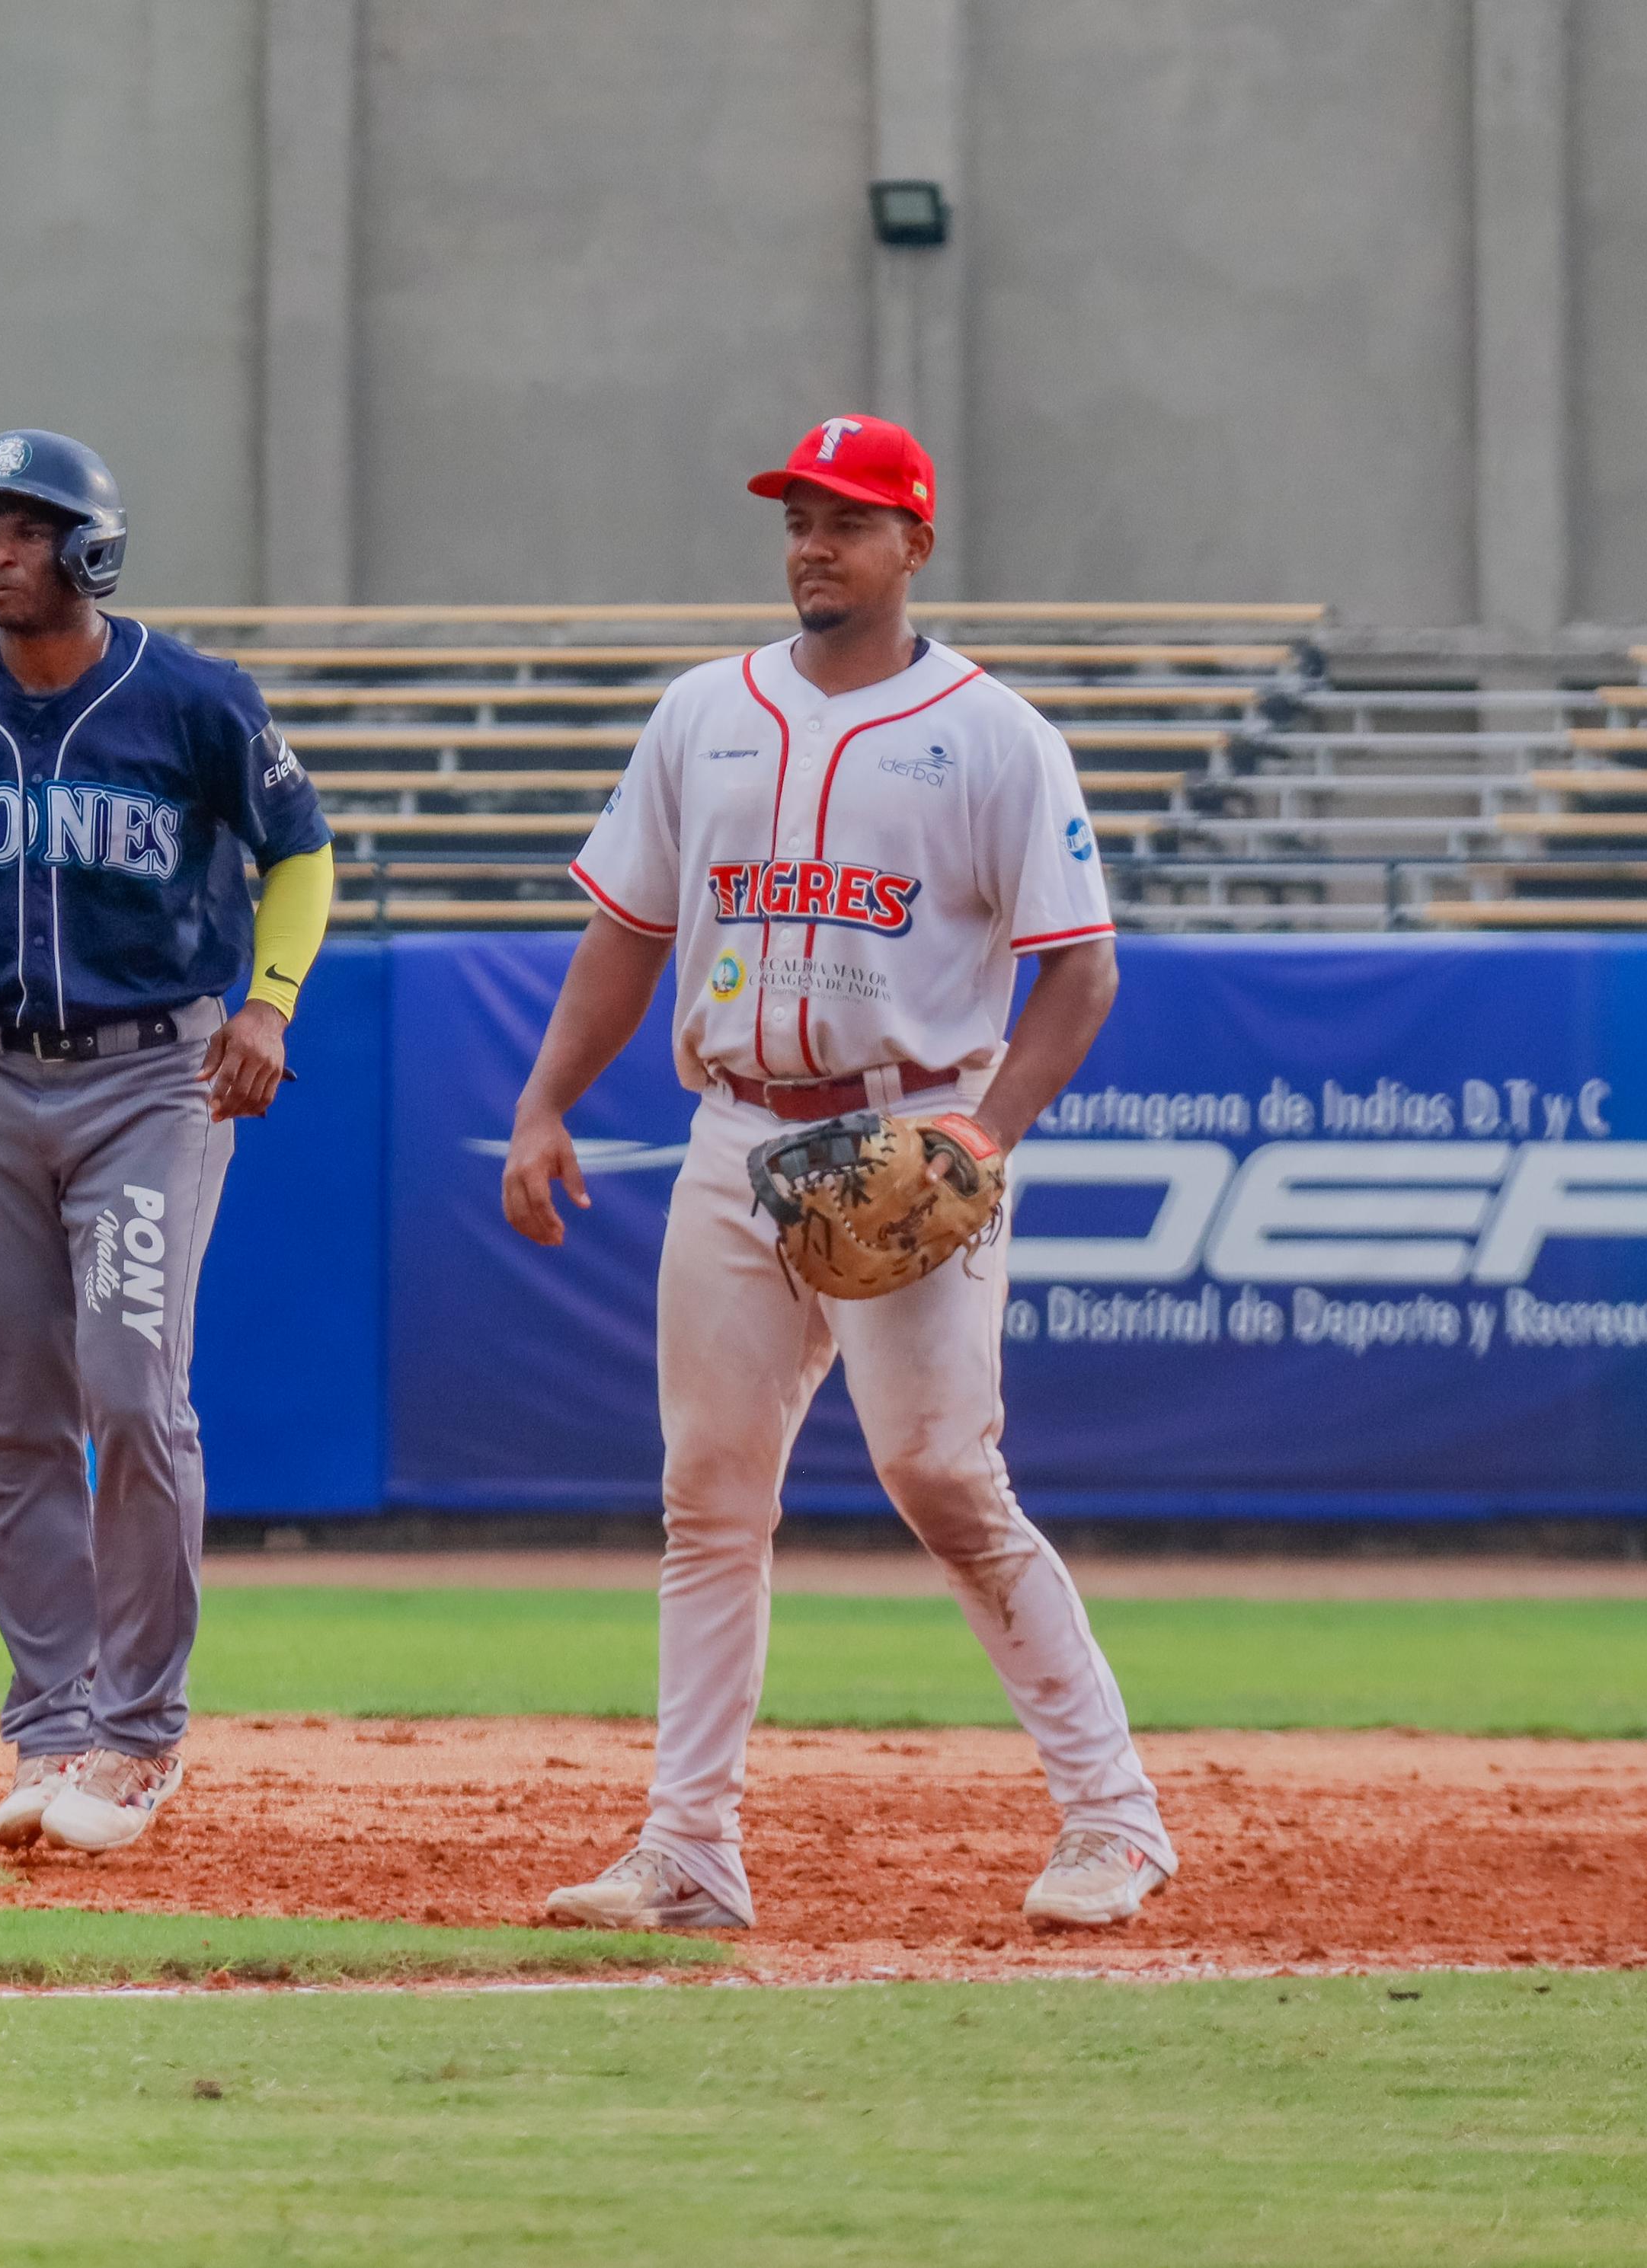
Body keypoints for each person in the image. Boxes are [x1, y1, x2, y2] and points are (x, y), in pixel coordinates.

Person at [500, 414, 1177, 1932]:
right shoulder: (702, 711)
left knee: (942, 1474)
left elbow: (1079, 973)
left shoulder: (993, 733)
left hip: (906, 1128)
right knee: (708, 1492)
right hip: (736, 1126)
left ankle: (1113, 1818)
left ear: (913, 543)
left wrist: (982, 1134)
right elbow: (630, 930)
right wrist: (547, 1099)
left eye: (849, 518)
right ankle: (688, 1847)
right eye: (799, 516)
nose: (815, 542)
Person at [0, 428, 334, 1854]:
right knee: (9, 1412)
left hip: (155, 1078)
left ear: (91, 547)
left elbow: (298, 851)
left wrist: (270, 1001)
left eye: (27, 529)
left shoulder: (191, 697)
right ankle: (50, 1720)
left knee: (132, 1386)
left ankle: (137, 1736)